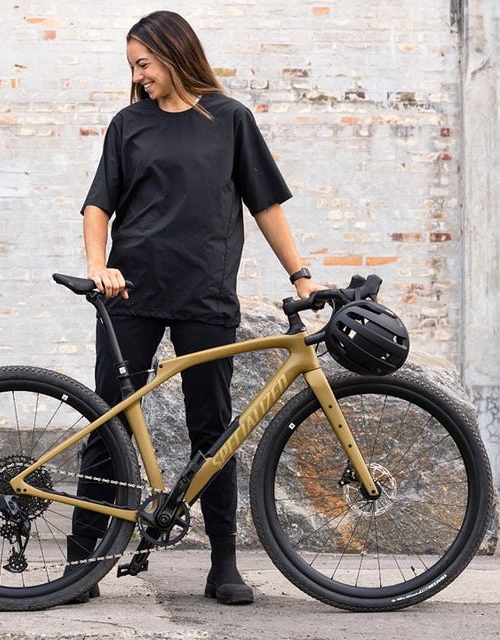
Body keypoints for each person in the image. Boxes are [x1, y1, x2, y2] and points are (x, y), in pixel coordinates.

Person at [69, 10, 330, 606]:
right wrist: (97, 265)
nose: (138, 77)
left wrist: (302, 276)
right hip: (129, 293)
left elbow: (265, 205)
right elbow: (97, 207)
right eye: (132, 67)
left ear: (173, 53)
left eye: (144, 64)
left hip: (205, 295)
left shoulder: (230, 119)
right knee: (106, 419)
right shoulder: (128, 124)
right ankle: (81, 564)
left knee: (213, 430)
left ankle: (224, 565)